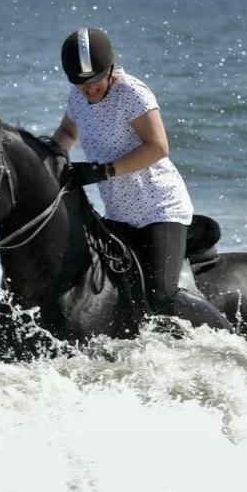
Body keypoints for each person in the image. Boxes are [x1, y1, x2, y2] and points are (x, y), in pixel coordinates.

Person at [53, 27, 235, 333]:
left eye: (94, 83)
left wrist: (103, 171)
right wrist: (49, 158)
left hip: (159, 209)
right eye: (81, 85)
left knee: (162, 295)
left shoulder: (132, 93)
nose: (88, 92)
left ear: (110, 69)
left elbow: (158, 147)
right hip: (119, 214)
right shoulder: (79, 95)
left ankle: (231, 340)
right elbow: (69, 133)